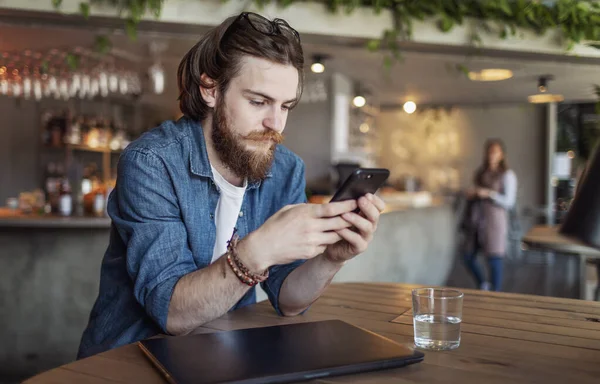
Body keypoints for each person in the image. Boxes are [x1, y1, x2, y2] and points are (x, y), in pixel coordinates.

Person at [77, 12, 385, 358]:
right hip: (130, 359)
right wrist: (259, 249)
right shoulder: (152, 162)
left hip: (224, 357)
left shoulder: (285, 169)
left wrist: (331, 258)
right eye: (258, 101)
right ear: (210, 89)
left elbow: (289, 300)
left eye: (286, 106)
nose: (275, 123)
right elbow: (173, 314)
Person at [462, 139, 517, 292]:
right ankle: (483, 285)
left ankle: (495, 294)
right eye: (489, 151)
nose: (491, 155)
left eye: (495, 151)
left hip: (495, 222)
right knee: (467, 256)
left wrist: (489, 193)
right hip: (477, 221)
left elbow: (509, 202)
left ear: (502, 154)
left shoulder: (507, 175)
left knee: (494, 260)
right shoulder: (481, 173)